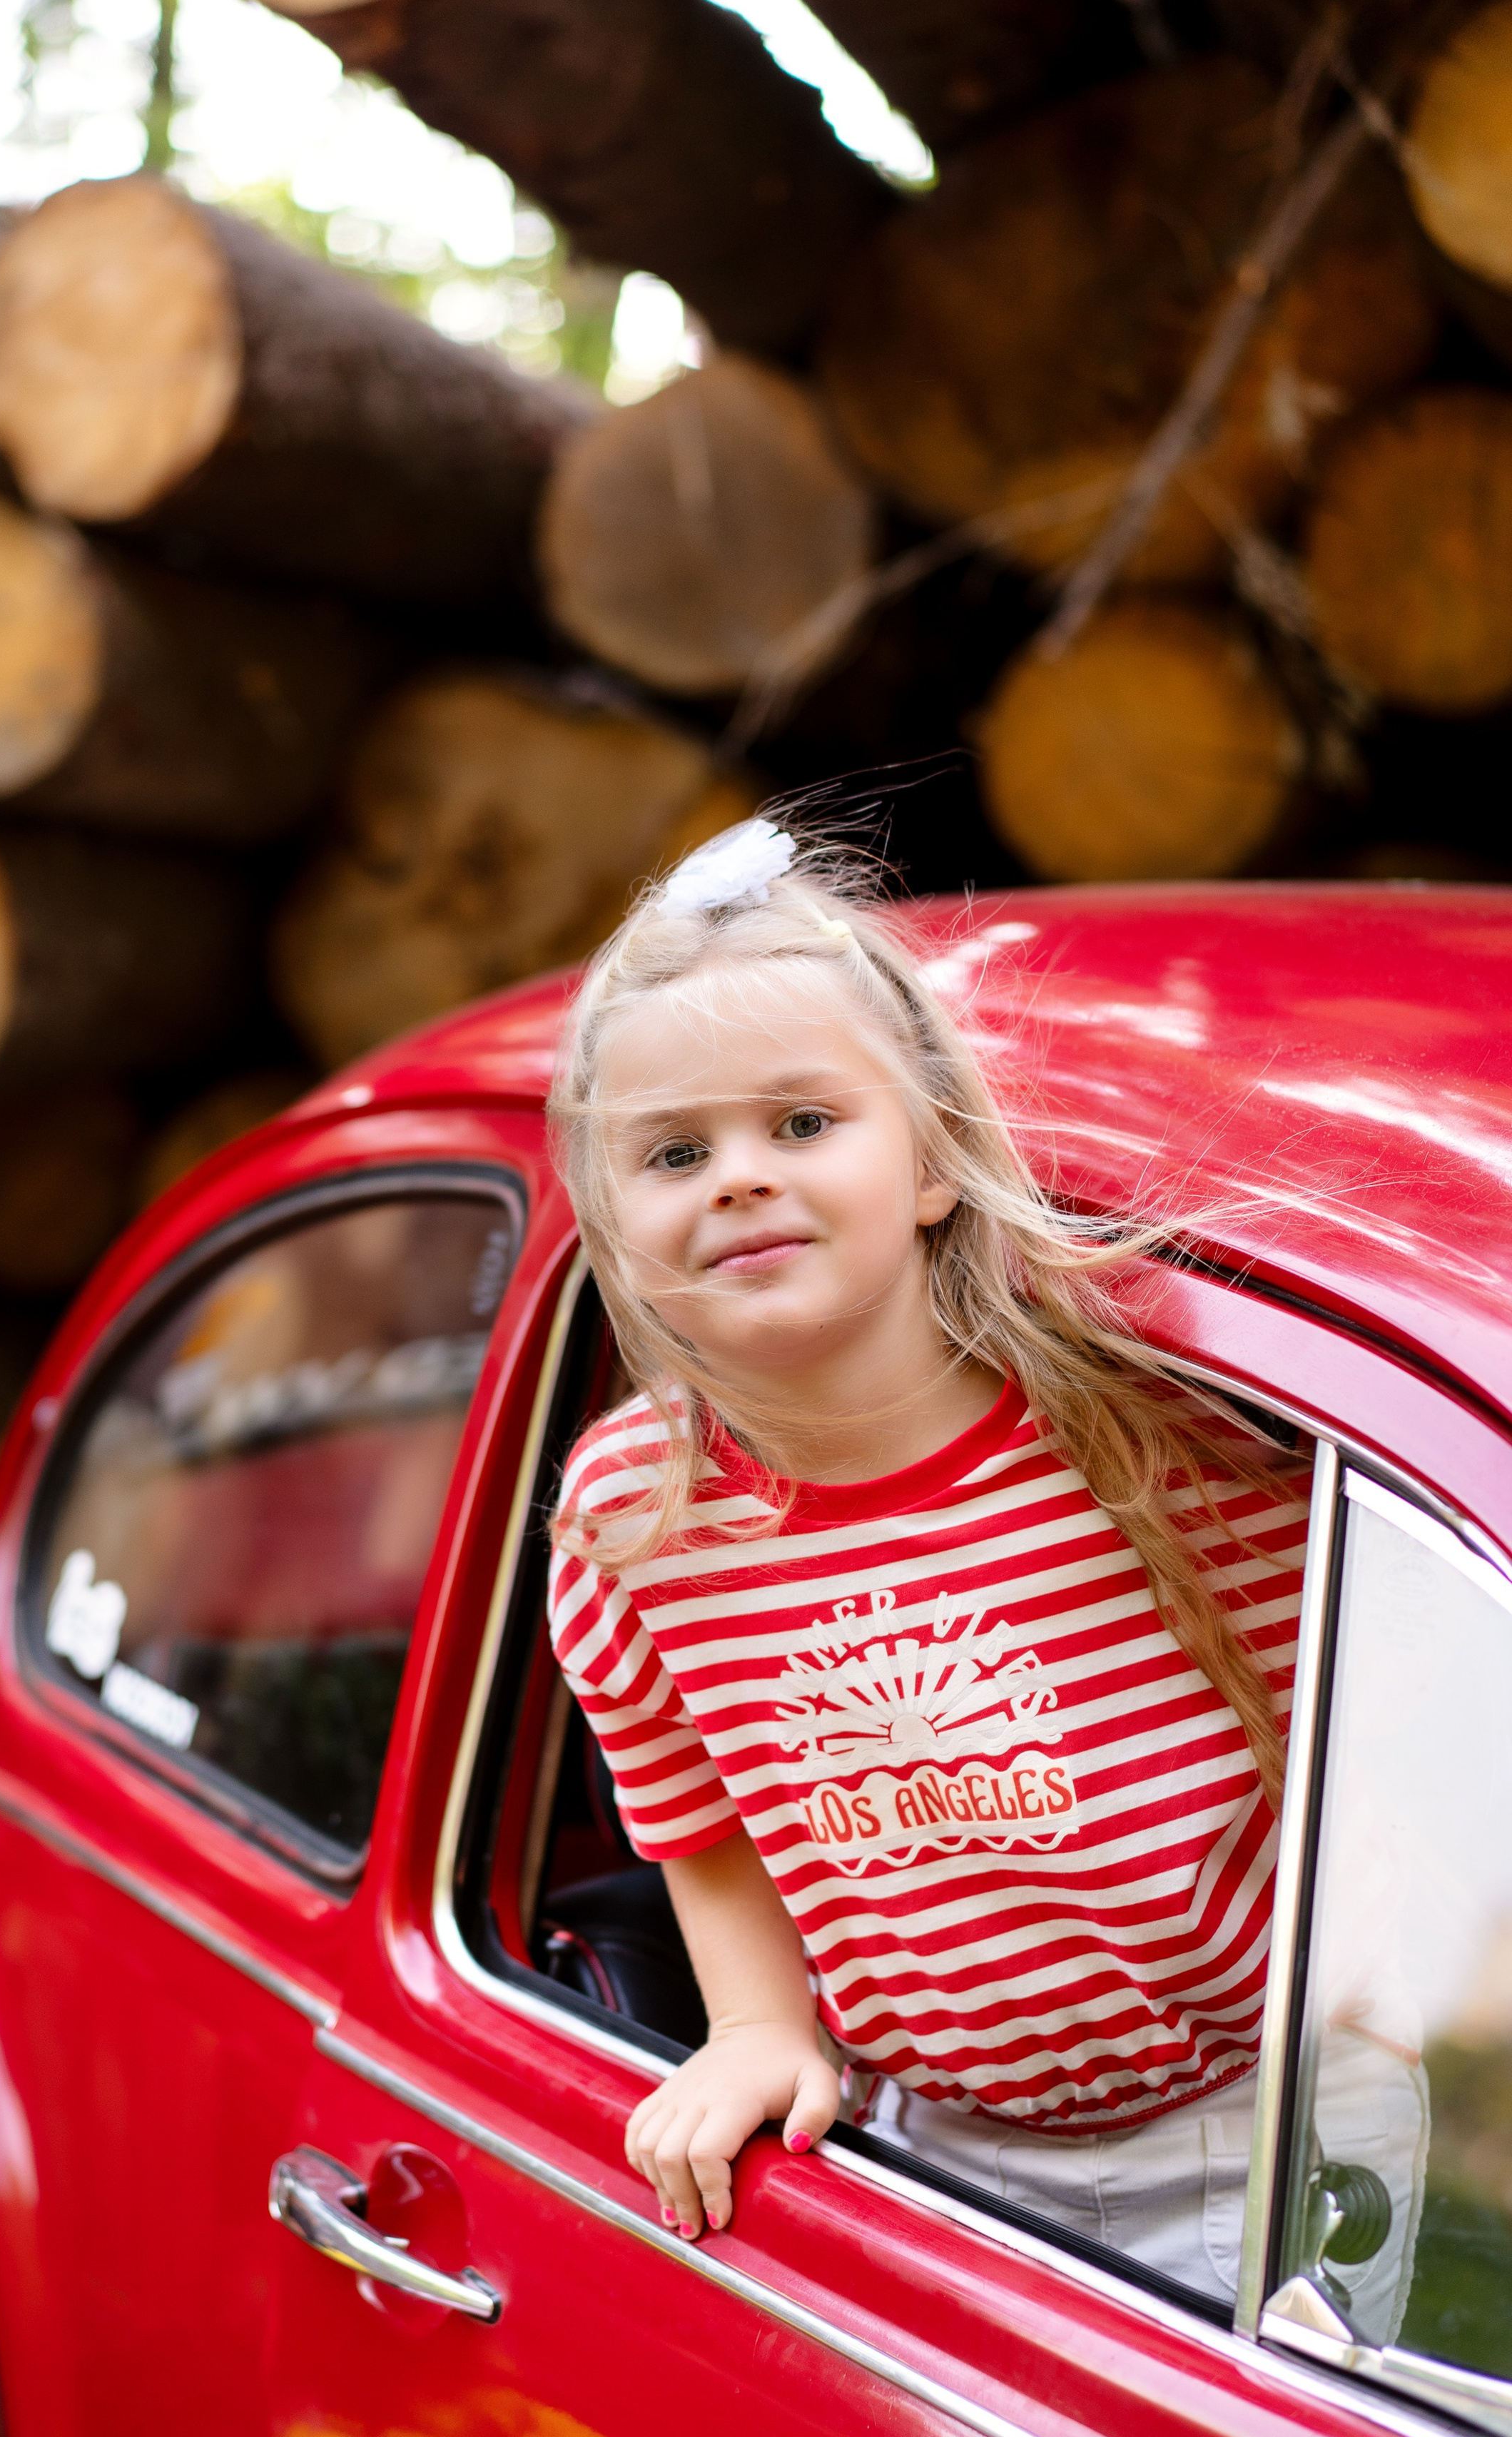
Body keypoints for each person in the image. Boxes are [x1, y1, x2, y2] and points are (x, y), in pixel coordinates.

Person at [544, 818, 1341, 2310]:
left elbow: (1369, 1760)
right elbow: (692, 1807)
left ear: (927, 1162)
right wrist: (754, 2029)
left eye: (798, 1127)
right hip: (935, 2159)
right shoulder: (634, 1522)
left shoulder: (1146, 1440)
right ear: (617, 1229)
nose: (734, 1180)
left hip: (1271, 2132)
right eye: (671, 1153)